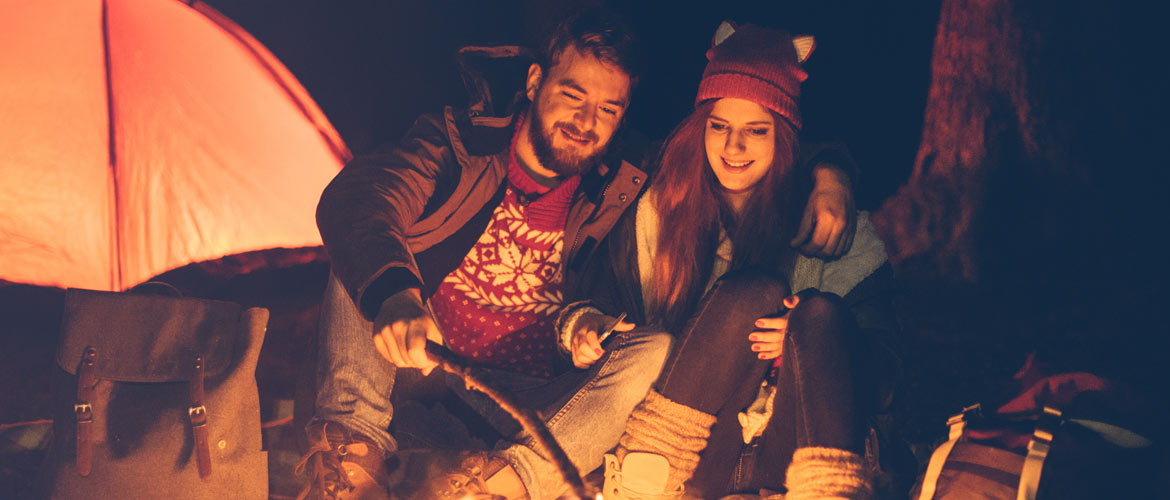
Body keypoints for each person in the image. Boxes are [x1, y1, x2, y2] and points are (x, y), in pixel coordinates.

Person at [299, 9, 859, 500]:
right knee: (368, 254)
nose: (587, 122)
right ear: (536, 80)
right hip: (425, 363)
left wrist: (830, 170)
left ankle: (504, 486)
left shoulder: (626, 177)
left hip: (538, 398)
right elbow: (360, 198)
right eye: (573, 96)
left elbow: (743, 141)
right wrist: (395, 293)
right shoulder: (456, 145)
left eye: (609, 109)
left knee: (654, 350)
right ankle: (352, 464)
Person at [559, 22, 897, 500]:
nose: (733, 148)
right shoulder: (657, 212)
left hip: (796, 447)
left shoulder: (836, 223)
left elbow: (885, 380)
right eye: (720, 127)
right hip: (692, 456)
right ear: (702, 128)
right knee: (752, 294)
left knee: (820, 314)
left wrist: (806, 345)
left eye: (756, 131)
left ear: (784, 137)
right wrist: (587, 326)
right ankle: (638, 486)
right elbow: (598, 308)